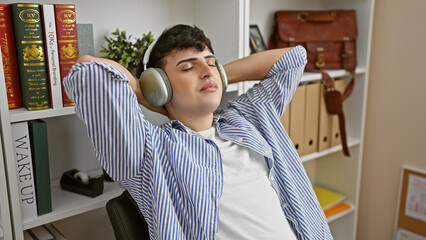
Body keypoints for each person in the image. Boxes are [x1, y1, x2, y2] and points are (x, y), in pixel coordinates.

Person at [63, 24, 332, 240]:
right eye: (188, 67)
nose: (206, 72)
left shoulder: (249, 118)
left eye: (211, 62)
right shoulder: (149, 151)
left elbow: (293, 59)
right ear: (161, 86)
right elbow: (90, 71)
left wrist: (220, 75)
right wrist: (144, 92)